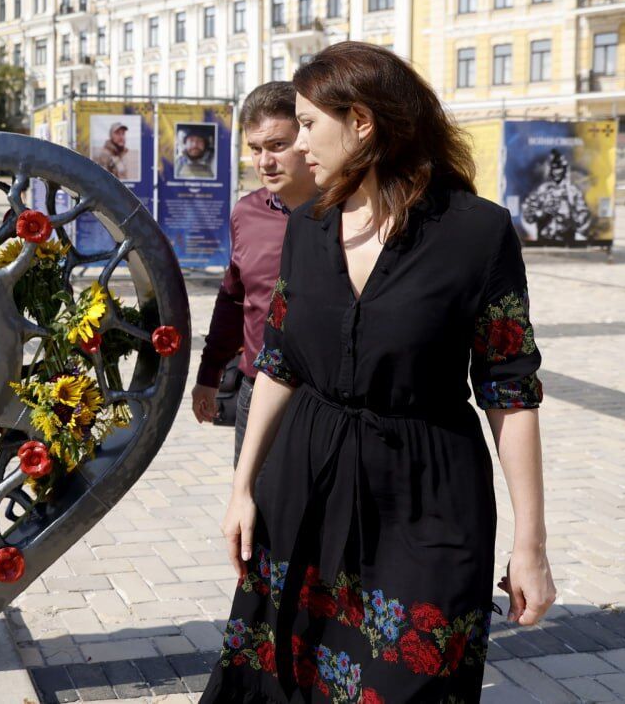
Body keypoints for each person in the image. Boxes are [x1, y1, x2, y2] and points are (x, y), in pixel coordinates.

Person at [205, 42, 555, 702]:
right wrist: (241, 486)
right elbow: (279, 362)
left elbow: (510, 391)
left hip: (428, 499)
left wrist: (529, 541)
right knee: (285, 677)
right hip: (305, 485)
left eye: (309, 123)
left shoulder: (478, 234)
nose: (299, 140)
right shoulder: (308, 227)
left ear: (361, 122)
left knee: (413, 684)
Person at [191, 83, 317, 466]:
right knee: (253, 517)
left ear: (307, 139)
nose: (264, 162)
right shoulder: (246, 212)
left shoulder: (352, 213)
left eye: (277, 145)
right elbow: (233, 297)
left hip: (324, 402)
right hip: (255, 391)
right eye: (255, 149)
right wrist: (209, 374)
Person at [521, 149, 592, 243]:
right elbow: (527, 212)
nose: (557, 171)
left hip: (567, 239)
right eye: (554, 168)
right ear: (550, 169)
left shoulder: (573, 192)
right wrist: (540, 213)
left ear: (564, 169)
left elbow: (583, 215)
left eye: (559, 168)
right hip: (544, 239)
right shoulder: (542, 190)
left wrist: (572, 216)